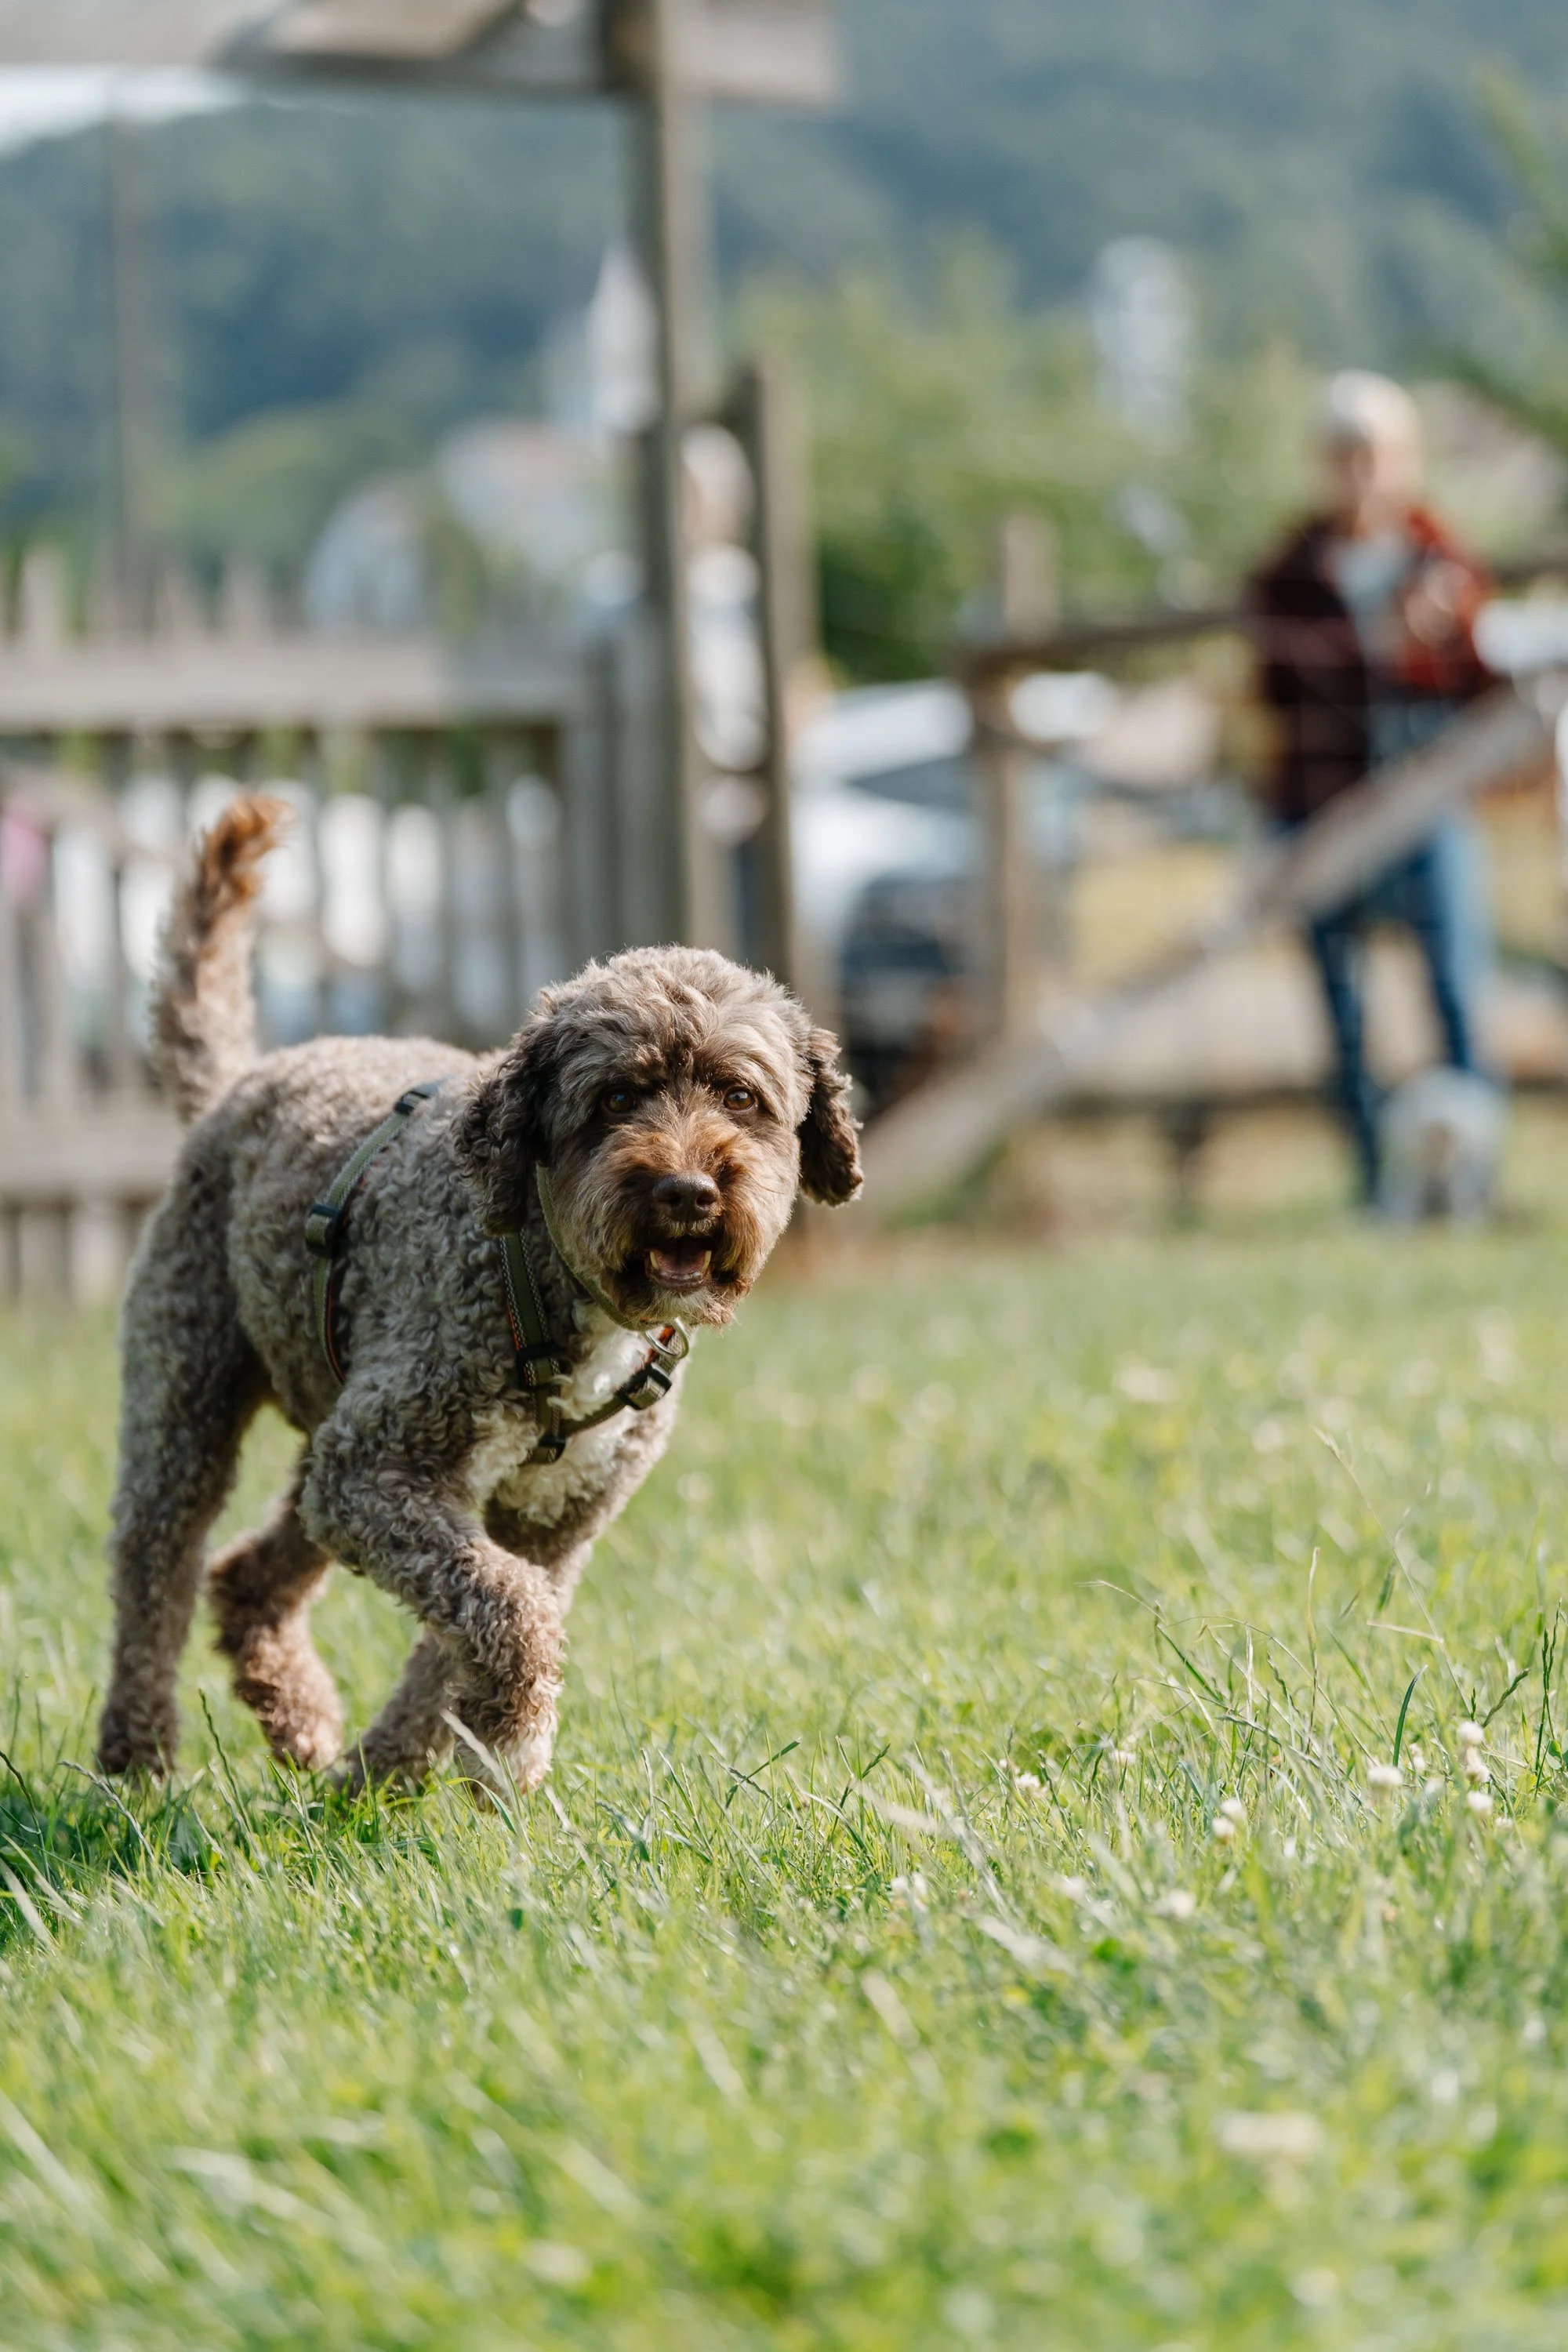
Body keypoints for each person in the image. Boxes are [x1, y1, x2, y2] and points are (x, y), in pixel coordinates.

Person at [1247, 371, 1497, 1202]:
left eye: (1376, 453)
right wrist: (1380, 640)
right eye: (1344, 454)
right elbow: (1275, 684)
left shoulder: (1444, 561)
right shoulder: (1286, 571)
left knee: (1454, 989)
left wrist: (1438, 635)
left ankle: (1470, 1183)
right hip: (1319, 810)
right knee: (1342, 1008)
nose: (1362, 473)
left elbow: (1478, 689)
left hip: (1426, 808)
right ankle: (1371, 1185)